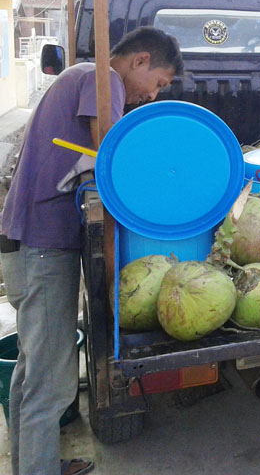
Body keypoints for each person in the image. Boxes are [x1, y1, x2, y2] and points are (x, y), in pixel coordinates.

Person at [0, 26, 183, 475]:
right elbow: (115, 153)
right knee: (50, 383)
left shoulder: (83, 76)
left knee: (32, 371)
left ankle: (35, 464)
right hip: (42, 248)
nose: (154, 95)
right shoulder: (101, 81)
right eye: (158, 83)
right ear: (139, 60)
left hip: (29, 242)